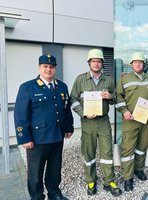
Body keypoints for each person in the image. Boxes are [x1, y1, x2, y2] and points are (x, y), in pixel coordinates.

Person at [14, 54, 74, 200]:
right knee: (35, 171)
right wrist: (24, 138)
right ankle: (37, 197)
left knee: (55, 168)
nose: (48, 69)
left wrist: (68, 127)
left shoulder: (62, 86)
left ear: (55, 69)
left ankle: (54, 193)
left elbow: (66, 109)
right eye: (45, 66)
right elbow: (20, 114)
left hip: (57, 135)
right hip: (38, 138)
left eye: (51, 67)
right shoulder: (28, 87)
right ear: (39, 67)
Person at [70, 49, 122, 196]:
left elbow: (116, 99)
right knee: (89, 152)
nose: (96, 63)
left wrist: (110, 96)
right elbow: (73, 100)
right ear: (89, 63)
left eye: (98, 61)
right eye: (93, 61)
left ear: (102, 64)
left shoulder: (109, 80)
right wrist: (83, 113)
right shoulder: (80, 80)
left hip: (104, 121)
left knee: (107, 152)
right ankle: (90, 180)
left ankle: (109, 180)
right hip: (88, 122)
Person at [115, 52, 148, 191]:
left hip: (146, 119)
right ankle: (127, 177)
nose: (138, 64)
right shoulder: (124, 79)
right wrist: (125, 112)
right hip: (130, 120)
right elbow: (118, 97)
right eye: (135, 62)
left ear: (144, 64)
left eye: (140, 62)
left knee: (142, 146)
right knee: (128, 149)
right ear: (131, 64)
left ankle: (139, 169)